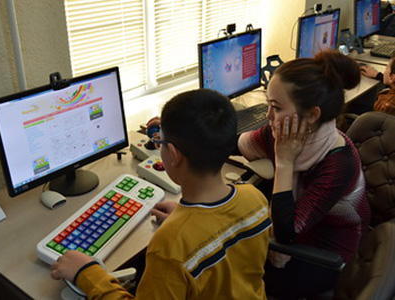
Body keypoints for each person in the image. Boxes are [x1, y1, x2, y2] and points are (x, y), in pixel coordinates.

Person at [50, 89, 271, 299]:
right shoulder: (254, 197)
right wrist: (186, 220)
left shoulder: (169, 247)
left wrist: (88, 274)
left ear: (173, 154)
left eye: (160, 142)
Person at [237, 50, 371, 299]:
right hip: (302, 233)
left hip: (326, 254)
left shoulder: (339, 163)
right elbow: (237, 143)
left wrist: (285, 162)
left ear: (312, 114)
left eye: (275, 107)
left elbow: (287, 230)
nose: (268, 117)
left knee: (235, 271)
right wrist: (182, 130)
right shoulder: (285, 133)